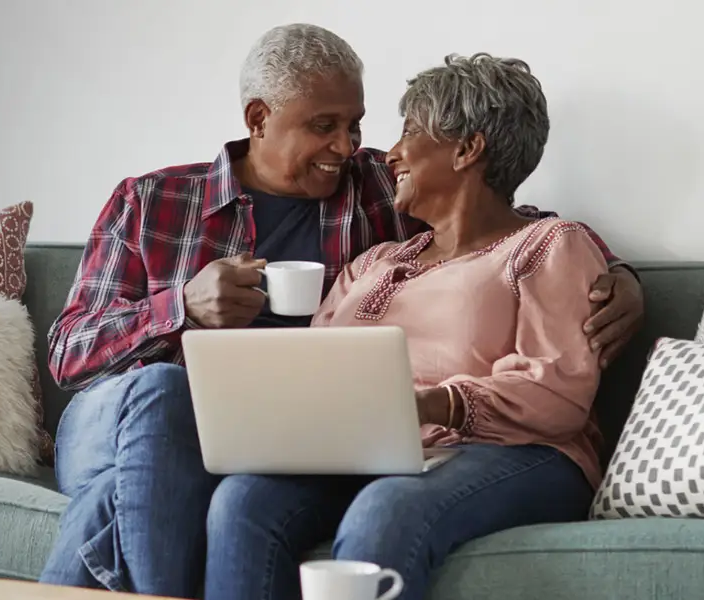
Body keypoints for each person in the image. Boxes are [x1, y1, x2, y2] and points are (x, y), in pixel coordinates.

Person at [38, 23, 643, 599]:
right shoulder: (153, 200)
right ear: (259, 119)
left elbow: (509, 227)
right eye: (324, 125)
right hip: (128, 415)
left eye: (355, 125)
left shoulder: (376, 188)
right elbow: (69, 353)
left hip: (301, 435)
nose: (351, 147)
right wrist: (182, 308)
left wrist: (620, 274)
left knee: (185, 498)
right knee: (165, 394)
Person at [199, 52, 607, 600]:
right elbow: (316, 371)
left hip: (517, 453)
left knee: (385, 509)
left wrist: (430, 404)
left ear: (466, 149)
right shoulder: (374, 263)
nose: (389, 153)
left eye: (410, 132)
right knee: (242, 499)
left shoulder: (548, 245)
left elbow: (558, 393)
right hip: (371, 452)